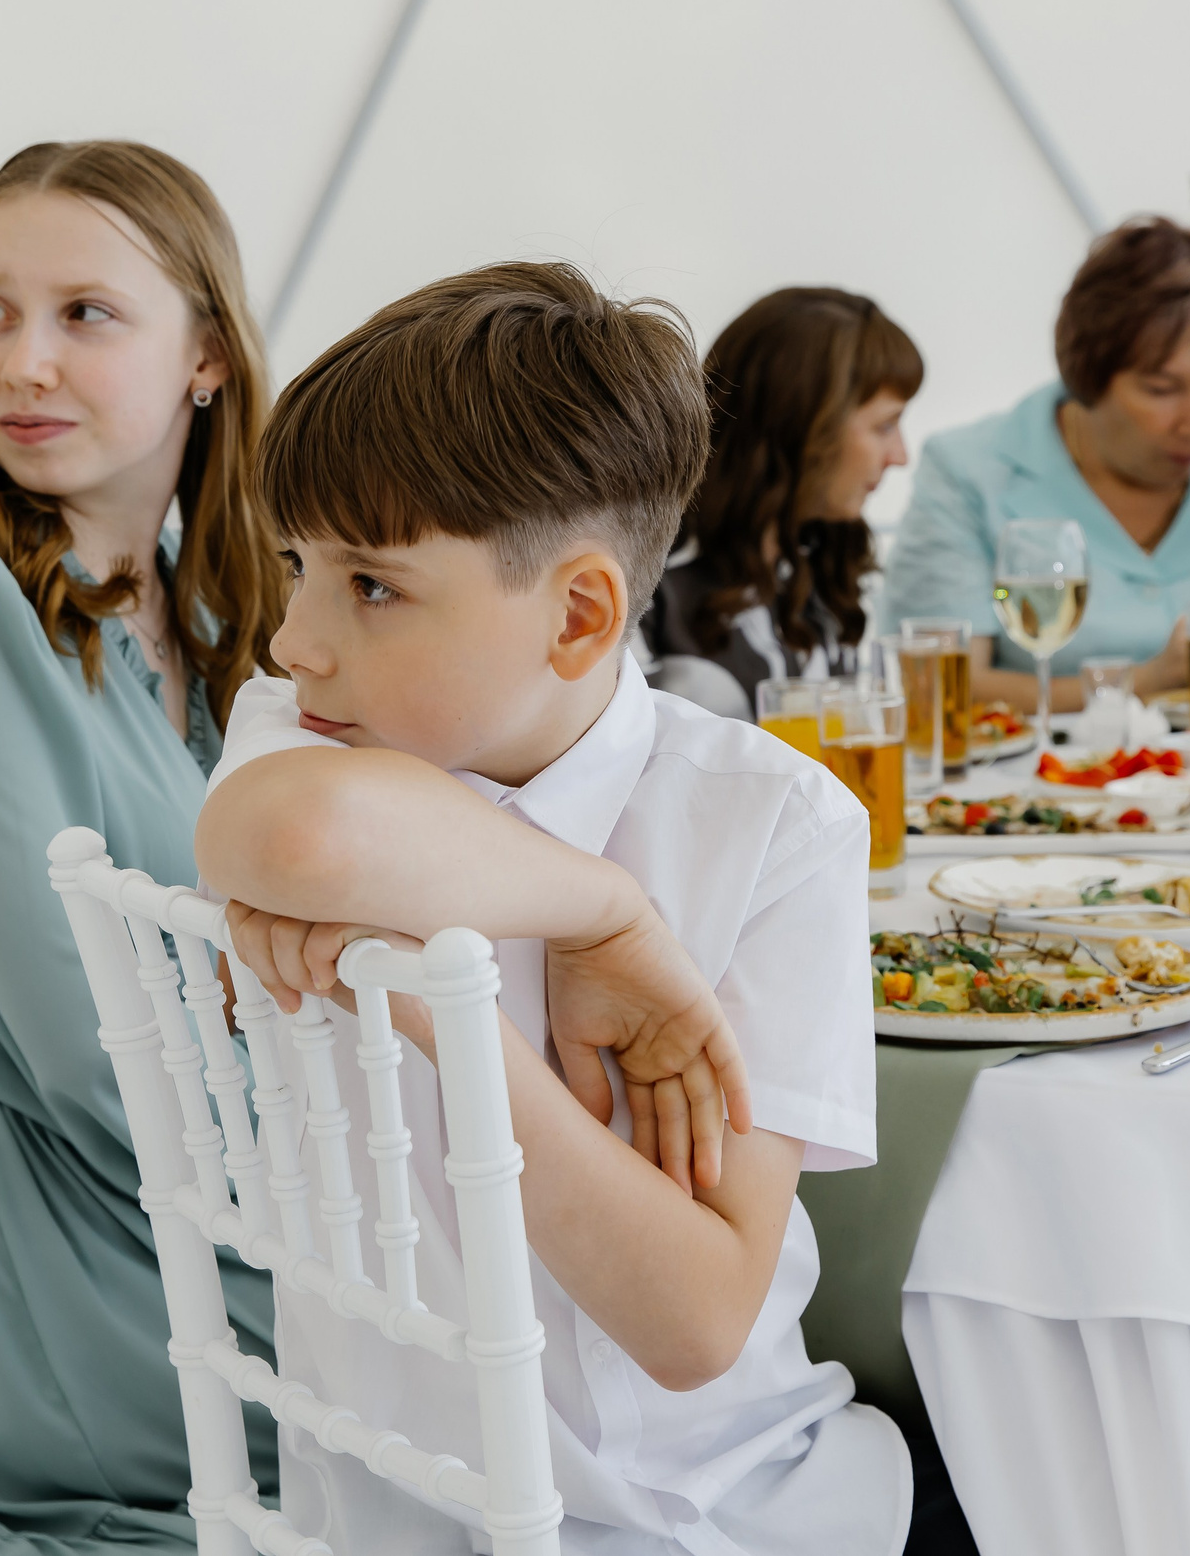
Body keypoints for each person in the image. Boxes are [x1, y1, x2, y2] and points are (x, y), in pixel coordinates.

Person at [196, 262, 905, 1555]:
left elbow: (697, 1325)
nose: (295, 637)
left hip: (723, 1504)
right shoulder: (303, 736)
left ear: (578, 614)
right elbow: (301, 832)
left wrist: (431, 1006)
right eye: (299, 564)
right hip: (404, 1517)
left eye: (370, 584)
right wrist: (604, 915)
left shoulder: (774, 823)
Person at [0, 141, 290, 1552]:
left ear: (206, 355)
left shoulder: (208, 614)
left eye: (85, 313)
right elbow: (82, 1042)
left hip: (166, 1170)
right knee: (487, 1372)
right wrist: (318, 1210)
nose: (22, 363)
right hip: (24, 1229)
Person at [884, 216, 1190, 709]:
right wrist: (1149, 679)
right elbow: (938, 689)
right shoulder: (967, 472)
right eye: (1161, 389)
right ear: (1086, 379)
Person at [637, 287, 922, 719]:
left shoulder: (822, 555)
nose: (901, 456)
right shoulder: (647, 573)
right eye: (885, 426)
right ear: (801, 427)